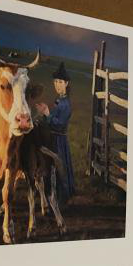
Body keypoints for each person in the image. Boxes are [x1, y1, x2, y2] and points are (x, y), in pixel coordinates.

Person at [36, 62, 75, 199]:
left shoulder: (66, 103)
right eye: (56, 82)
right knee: (51, 167)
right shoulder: (59, 100)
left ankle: (61, 195)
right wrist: (44, 113)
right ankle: (51, 193)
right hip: (53, 138)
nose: (57, 85)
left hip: (59, 141)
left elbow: (59, 124)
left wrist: (47, 114)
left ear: (66, 83)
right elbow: (52, 118)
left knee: (59, 167)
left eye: (60, 82)